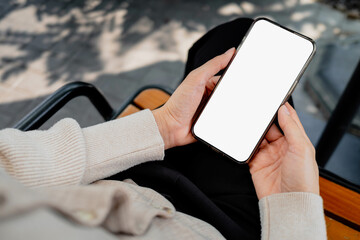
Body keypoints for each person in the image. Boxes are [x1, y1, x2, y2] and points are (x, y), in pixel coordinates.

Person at [0, 18, 326, 240]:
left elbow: (9, 163)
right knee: (235, 38)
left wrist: (162, 126)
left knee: (234, 41)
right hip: (215, 228)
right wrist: (292, 205)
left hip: (110, 185)